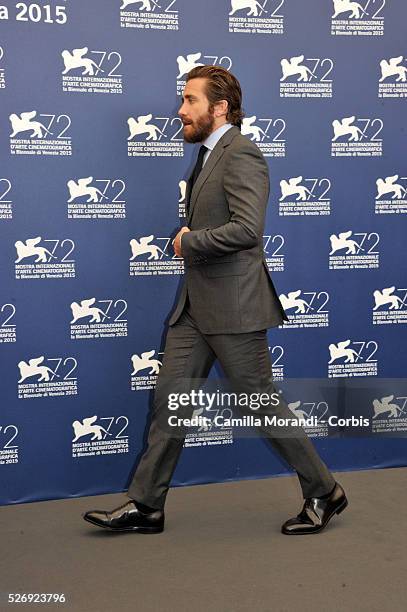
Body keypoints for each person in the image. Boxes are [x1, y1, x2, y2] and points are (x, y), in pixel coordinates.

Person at [83, 66, 347, 535]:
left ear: (219, 107)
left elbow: (248, 230)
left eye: (190, 101)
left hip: (235, 307)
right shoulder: (208, 155)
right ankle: (146, 505)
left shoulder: (242, 154)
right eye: (183, 101)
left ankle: (325, 491)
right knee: (170, 402)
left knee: (260, 404)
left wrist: (189, 241)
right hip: (194, 309)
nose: (180, 110)